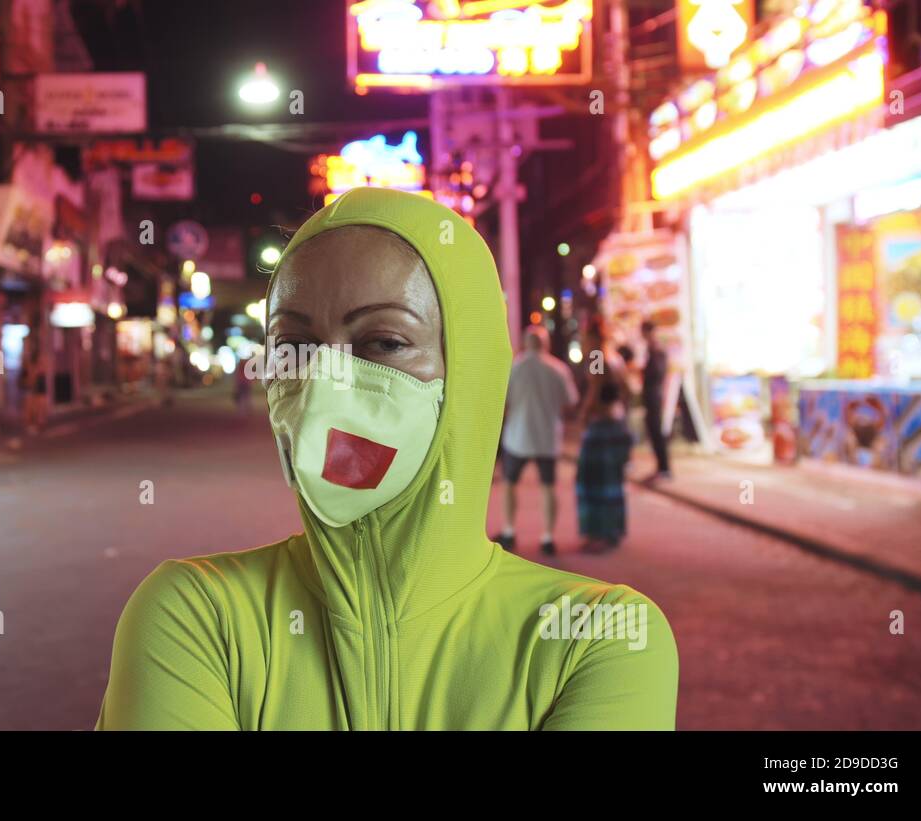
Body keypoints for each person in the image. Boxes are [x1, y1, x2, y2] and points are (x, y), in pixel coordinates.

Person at [95, 188, 677, 730]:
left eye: (383, 343)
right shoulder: (195, 615)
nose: (324, 384)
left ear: (467, 371)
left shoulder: (598, 638)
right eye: (294, 348)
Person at [493, 325, 578, 555]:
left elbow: (502, 402)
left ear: (524, 343)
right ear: (546, 344)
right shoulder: (558, 369)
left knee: (510, 485)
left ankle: (509, 531)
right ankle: (548, 537)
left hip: (517, 437)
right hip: (547, 437)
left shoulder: (514, 368)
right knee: (548, 487)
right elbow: (570, 399)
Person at [576, 323, 634, 553]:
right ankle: (613, 530)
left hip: (602, 426)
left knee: (592, 480)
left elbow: (596, 386)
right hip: (617, 424)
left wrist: (585, 413)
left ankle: (598, 531)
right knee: (612, 480)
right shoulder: (616, 358)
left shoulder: (598, 356)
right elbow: (628, 390)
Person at [640, 320, 672, 481]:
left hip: (654, 394)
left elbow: (658, 372)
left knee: (656, 431)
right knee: (652, 431)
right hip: (651, 394)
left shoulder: (656, 348)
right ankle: (661, 467)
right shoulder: (652, 348)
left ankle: (664, 468)